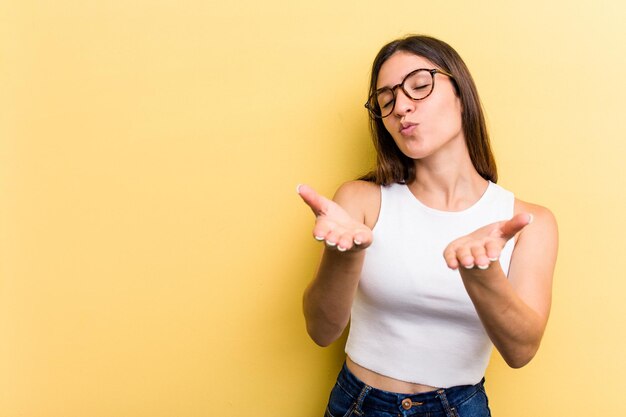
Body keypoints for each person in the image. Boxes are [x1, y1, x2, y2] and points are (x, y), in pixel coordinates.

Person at [297, 35, 558, 417]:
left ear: (461, 94)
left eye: (419, 86)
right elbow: (321, 332)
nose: (401, 106)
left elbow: (521, 352)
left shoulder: (528, 222)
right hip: (359, 404)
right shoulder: (360, 200)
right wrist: (346, 257)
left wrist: (483, 275)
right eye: (386, 101)